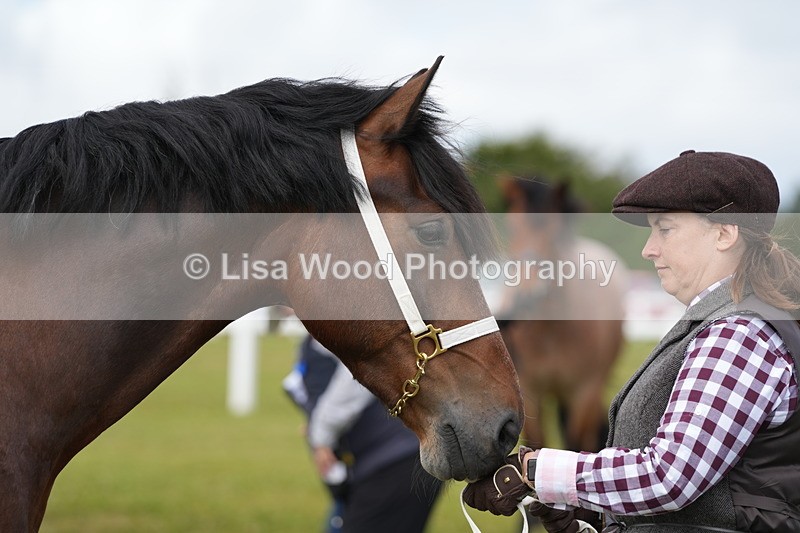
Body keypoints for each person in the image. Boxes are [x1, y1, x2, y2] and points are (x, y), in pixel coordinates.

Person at [463, 150, 800, 532]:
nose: (648, 249)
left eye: (665, 229)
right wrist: (591, 517)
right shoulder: (728, 322)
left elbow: (669, 476)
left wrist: (533, 472)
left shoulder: (737, 335)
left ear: (724, 233)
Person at [283, 335, 442, 533]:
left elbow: (352, 379)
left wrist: (321, 435)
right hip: (391, 459)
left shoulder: (329, 324)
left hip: (395, 461)